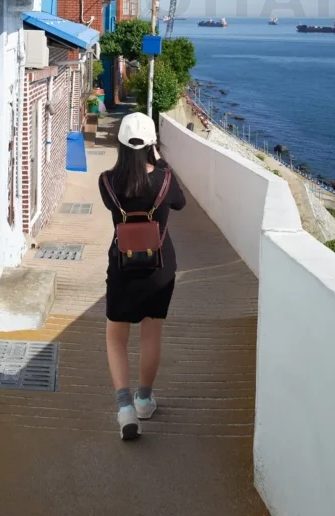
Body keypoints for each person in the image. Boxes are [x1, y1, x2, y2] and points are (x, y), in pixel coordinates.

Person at [99, 111, 186, 441]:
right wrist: (162, 164)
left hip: (122, 267)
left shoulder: (107, 182)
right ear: (153, 145)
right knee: (151, 334)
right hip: (159, 269)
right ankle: (145, 400)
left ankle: (125, 410)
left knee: (115, 337)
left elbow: (118, 198)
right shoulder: (164, 180)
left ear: (120, 144)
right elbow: (180, 202)